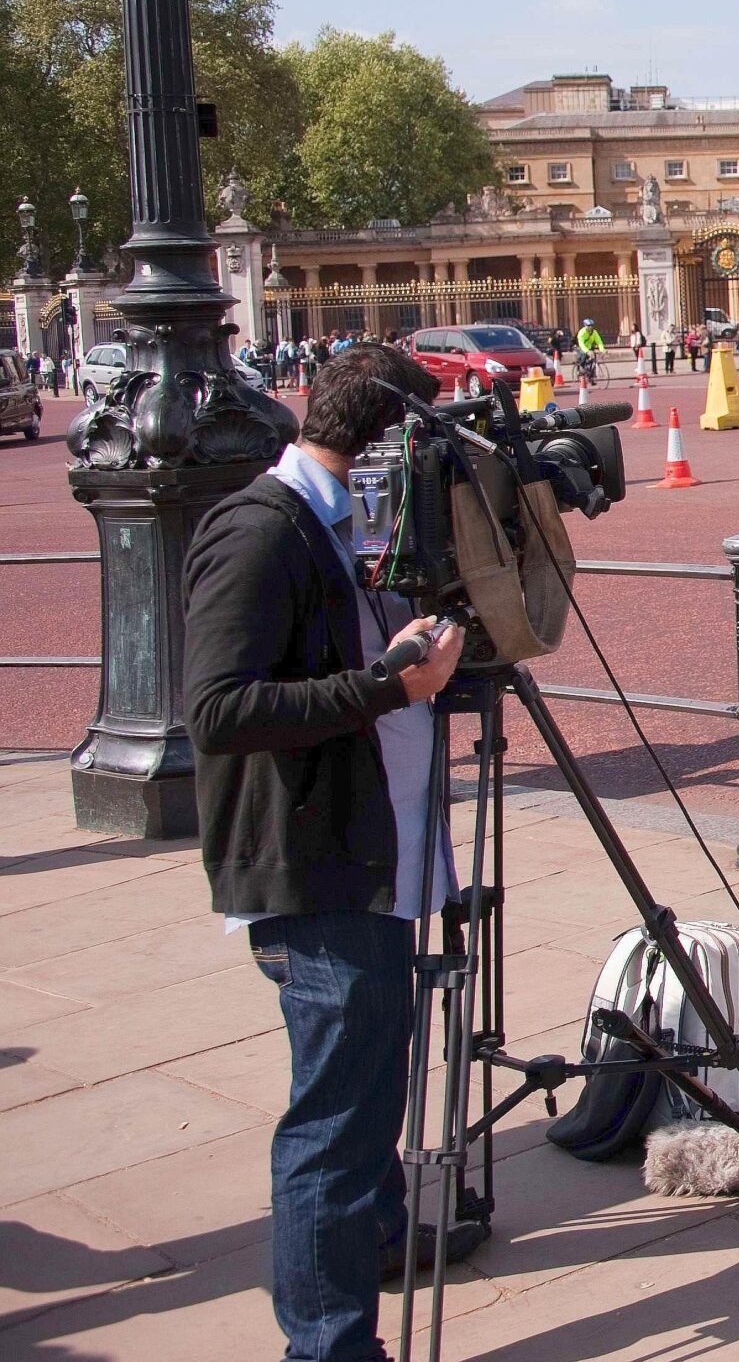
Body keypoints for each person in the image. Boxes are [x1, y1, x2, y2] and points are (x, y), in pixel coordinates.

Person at [183, 345, 479, 1362]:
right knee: (337, 1122)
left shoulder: (334, 518)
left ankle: (381, 1235)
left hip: (375, 848)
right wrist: (385, 687)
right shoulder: (261, 528)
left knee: (371, 1082)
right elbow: (219, 709)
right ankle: (329, 1344)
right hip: (318, 863)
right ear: (389, 435)